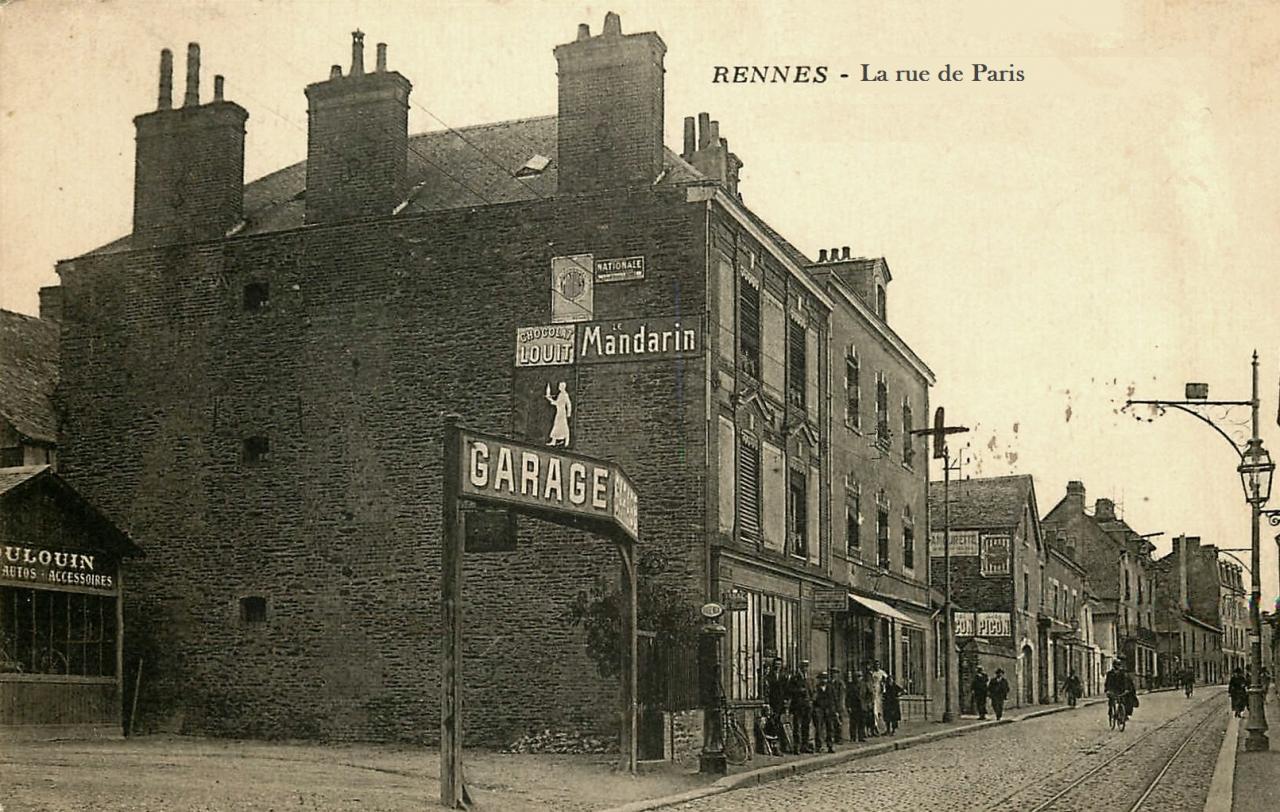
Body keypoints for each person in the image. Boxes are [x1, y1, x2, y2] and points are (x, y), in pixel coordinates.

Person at [790, 659, 815, 753]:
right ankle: (796, 746)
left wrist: (812, 700)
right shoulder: (795, 678)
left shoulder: (810, 679)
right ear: (800, 667)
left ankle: (805, 746)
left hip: (807, 705)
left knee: (806, 726)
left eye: (806, 666)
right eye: (803, 666)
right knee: (797, 726)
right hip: (798, 705)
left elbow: (813, 690)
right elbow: (790, 690)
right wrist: (799, 690)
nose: (805, 668)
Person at [813, 671, 839, 752]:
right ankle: (819, 746)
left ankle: (830, 745)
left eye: (825, 678)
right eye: (822, 678)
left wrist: (835, 710)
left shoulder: (830, 688)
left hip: (829, 710)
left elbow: (834, 699)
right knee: (819, 729)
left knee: (829, 728)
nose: (824, 680)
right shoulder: (816, 688)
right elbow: (814, 699)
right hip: (819, 710)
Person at [846, 669, 868, 742]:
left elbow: (870, 694)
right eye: (856, 676)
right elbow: (848, 697)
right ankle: (853, 737)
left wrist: (868, 703)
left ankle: (861, 737)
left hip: (863, 706)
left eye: (859, 676)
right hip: (854, 706)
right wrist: (848, 706)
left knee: (862, 722)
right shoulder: (851, 686)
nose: (858, 678)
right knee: (853, 723)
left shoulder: (864, 685)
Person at [868, 659, 888, 735]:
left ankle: (881, 728)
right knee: (874, 712)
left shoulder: (882, 673)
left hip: (880, 693)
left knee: (880, 712)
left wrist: (883, 687)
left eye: (878, 665)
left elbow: (885, 681)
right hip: (873, 694)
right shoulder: (872, 673)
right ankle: (875, 727)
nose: (877, 666)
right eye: (875, 665)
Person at [829, 668, 846, 744]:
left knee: (838, 722)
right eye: (832, 673)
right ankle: (831, 737)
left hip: (838, 705)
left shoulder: (840, 683)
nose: (833, 675)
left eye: (835, 673)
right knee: (831, 722)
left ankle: (839, 738)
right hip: (830, 705)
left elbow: (841, 696)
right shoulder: (829, 683)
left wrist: (839, 706)